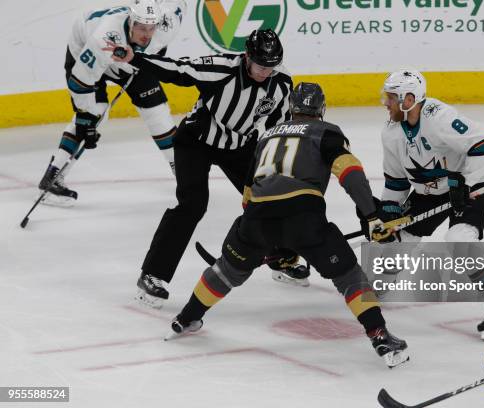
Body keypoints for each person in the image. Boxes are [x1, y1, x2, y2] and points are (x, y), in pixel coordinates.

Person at [163, 82, 409, 368]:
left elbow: (247, 197)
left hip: (256, 218)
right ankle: (379, 335)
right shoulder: (327, 131)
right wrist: (371, 216)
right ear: (321, 109)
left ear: (291, 109)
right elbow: (351, 174)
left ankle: (186, 318)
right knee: (349, 276)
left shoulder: (266, 136)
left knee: (227, 269)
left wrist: (272, 243)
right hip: (304, 215)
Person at [108, 29, 307, 308]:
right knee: (192, 204)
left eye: (271, 66)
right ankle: (153, 275)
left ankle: (280, 256)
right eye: (261, 66)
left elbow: (279, 123)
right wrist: (135, 58)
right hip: (195, 141)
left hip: (240, 145)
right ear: (247, 57)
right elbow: (177, 70)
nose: (266, 72)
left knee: (270, 197)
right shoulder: (221, 69)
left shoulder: (281, 82)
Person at [369, 69, 484, 340]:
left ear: (409, 100)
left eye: (391, 97)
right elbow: (396, 183)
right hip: (429, 191)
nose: (386, 103)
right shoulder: (391, 133)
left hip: (467, 186)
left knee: (458, 239)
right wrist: (387, 216)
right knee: (399, 237)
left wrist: (466, 184)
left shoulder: (440, 118)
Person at [38, 0, 186, 206]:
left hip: (132, 59)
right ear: (131, 22)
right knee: (94, 113)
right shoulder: (104, 39)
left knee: (158, 114)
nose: (146, 34)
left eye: (151, 28)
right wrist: (85, 119)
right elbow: (81, 82)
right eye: (141, 28)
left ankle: (184, 173)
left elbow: (179, 4)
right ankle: (52, 177)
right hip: (86, 50)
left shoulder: (168, 22)